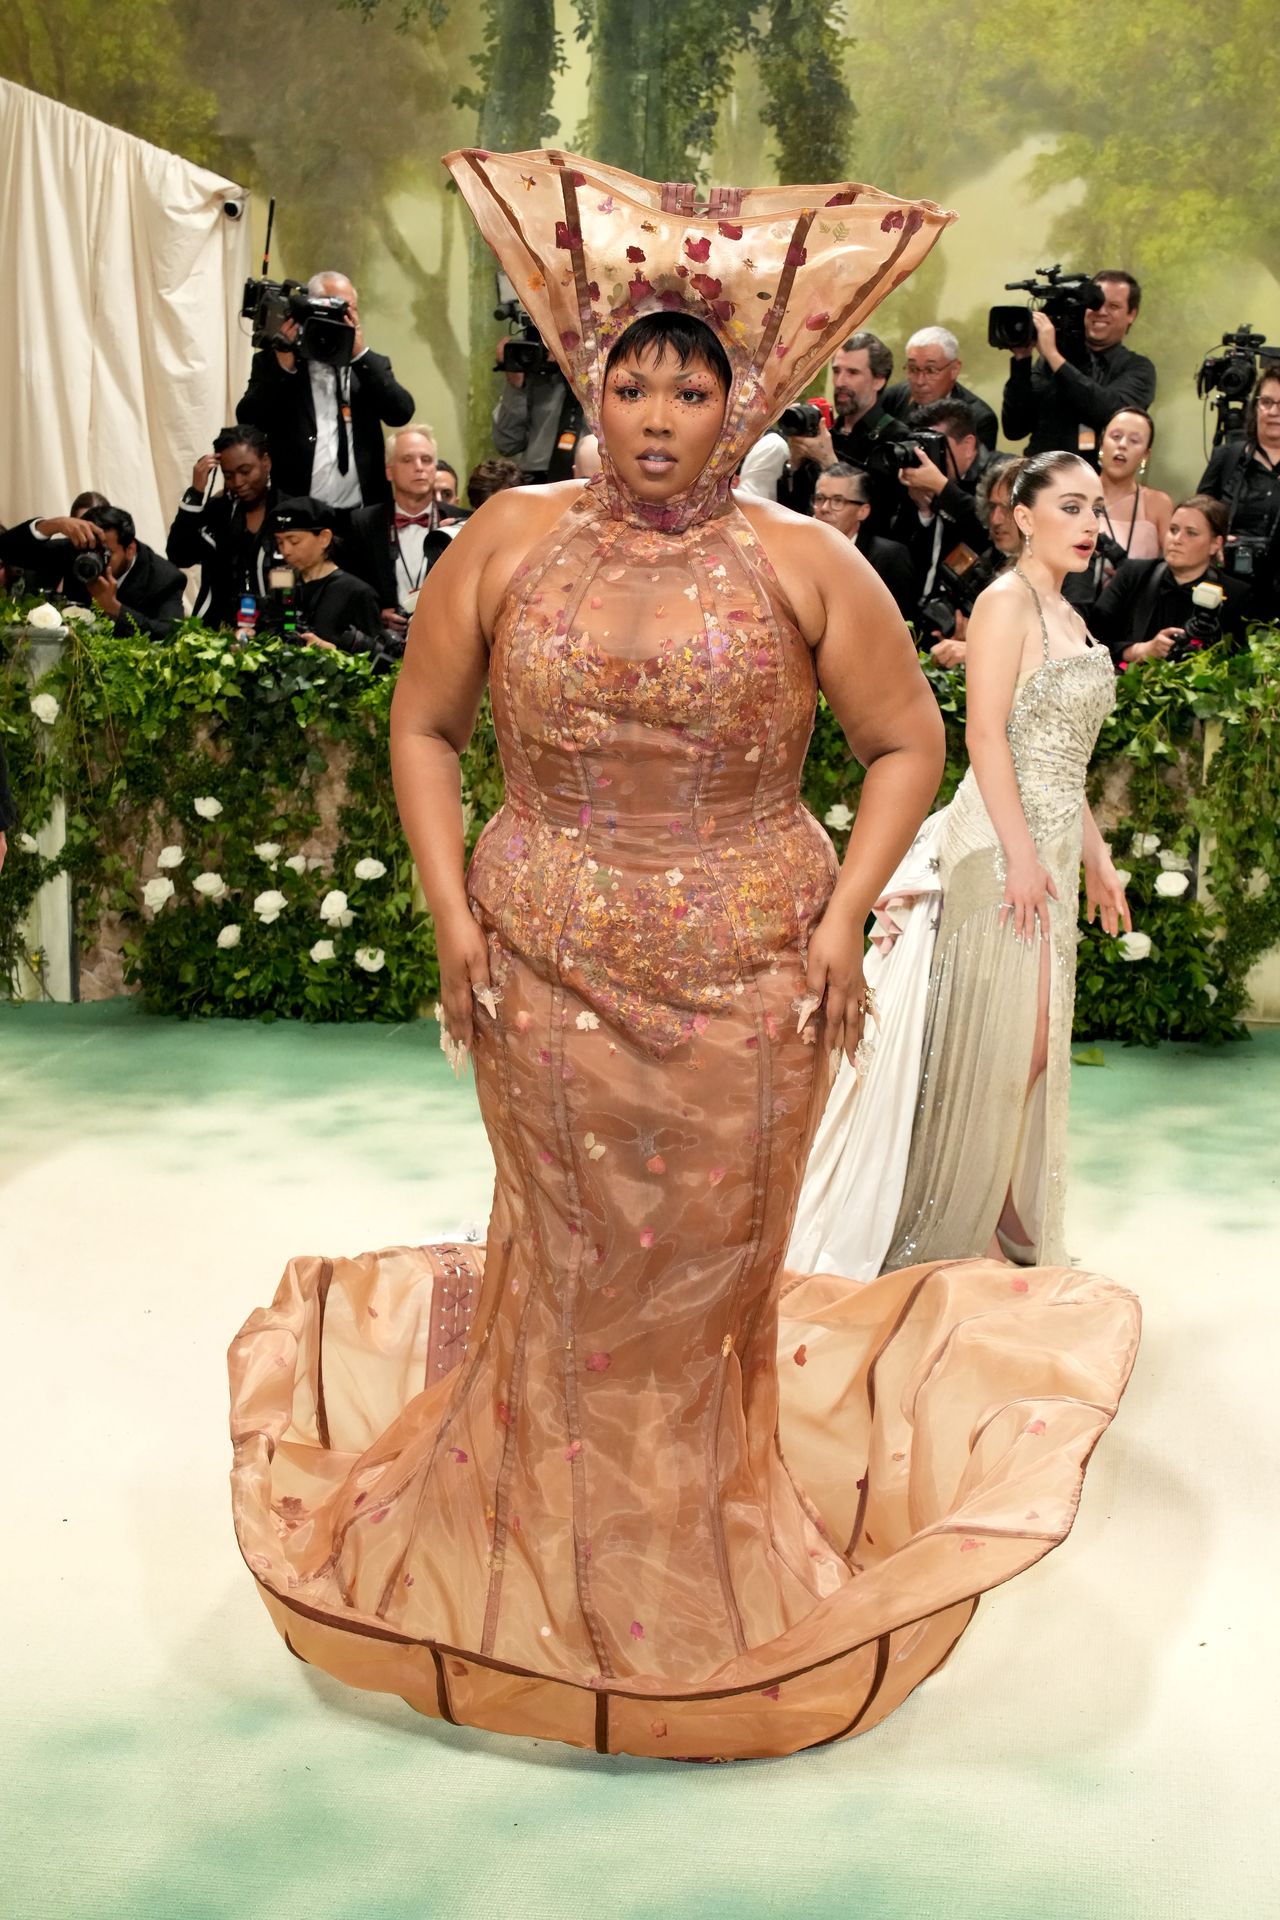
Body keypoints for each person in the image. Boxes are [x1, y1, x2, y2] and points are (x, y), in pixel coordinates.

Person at [228, 149, 1138, 1764]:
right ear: (594, 387)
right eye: (630, 383)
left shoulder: (809, 562)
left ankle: (697, 1556)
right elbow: (425, 727)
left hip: (757, 980)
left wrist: (844, 922)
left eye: (687, 391)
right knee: (573, 1260)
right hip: (541, 970)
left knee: (708, 1277)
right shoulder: (509, 538)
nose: (655, 415)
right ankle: (540, 1538)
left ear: (742, 409)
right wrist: (452, 920)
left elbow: (903, 746)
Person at [794, 451, 1128, 1278]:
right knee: (1003, 1045)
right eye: (1073, 507)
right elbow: (985, 739)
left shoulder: (1070, 615)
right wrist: (1019, 857)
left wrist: (1097, 857)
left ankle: (999, 1207)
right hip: (995, 848)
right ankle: (959, 1218)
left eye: (1096, 509)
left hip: (1045, 845)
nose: (1090, 524)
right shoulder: (1004, 603)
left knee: (1033, 1041)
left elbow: (1061, 757)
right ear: (1023, 513)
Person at [235, 271, 415, 507]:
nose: (342, 318)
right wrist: (283, 366)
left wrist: (360, 356)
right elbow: (249, 421)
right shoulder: (275, 362)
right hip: (300, 516)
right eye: (333, 309)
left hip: (362, 516)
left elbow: (400, 413)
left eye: (349, 310)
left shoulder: (368, 366)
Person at [1000, 271, 1156, 458]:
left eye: (1113, 306)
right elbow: (1015, 428)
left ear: (1131, 314)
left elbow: (1110, 414)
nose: (1101, 312)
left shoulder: (1138, 368)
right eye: (1094, 304)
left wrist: (1053, 356)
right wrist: (1022, 360)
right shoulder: (1051, 362)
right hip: (1039, 475)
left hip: (1093, 481)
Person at [1093, 495, 1248, 666]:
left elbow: (1239, 664)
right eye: (1173, 530)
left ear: (1215, 544)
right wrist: (1139, 650)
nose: (1177, 539)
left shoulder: (1236, 595)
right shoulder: (1133, 574)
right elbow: (1092, 638)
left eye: (1191, 533)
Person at [778, 332, 910, 531]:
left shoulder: (896, 440)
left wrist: (827, 461)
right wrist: (794, 463)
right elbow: (790, 508)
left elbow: (879, 520)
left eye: (852, 373)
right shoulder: (823, 430)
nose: (840, 382)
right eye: (837, 371)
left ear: (879, 380)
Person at [344, 426, 465, 636]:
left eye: (426, 460)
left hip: (446, 638)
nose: (419, 467)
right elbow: (351, 588)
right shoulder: (362, 523)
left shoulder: (463, 522)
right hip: (382, 642)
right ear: (389, 471)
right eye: (407, 460)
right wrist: (376, 613)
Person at [166, 426, 280, 629]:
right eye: (228, 475)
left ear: (266, 462)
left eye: (245, 471)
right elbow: (179, 555)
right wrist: (196, 493)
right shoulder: (219, 513)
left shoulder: (289, 512)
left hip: (278, 631)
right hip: (219, 631)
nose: (238, 482)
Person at [888, 397, 995, 608]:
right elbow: (902, 554)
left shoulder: (998, 474)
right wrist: (923, 510)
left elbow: (992, 529)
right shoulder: (921, 477)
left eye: (936, 445)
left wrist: (942, 488)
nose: (929, 455)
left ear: (968, 445)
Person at [1197, 366, 1280, 607]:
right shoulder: (1228, 457)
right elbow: (1197, 513)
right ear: (1255, 407)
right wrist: (1215, 539)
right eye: (1266, 402)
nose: (1273, 411)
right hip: (1225, 585)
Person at [271, 497, 386, 656]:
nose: (286, 551)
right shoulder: (283, 584)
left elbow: (380, 662)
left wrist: (334, 653)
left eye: (294, 541)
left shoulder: (357, 593)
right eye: (280, 542)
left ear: (324, 538)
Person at [61, 506, 185, 640]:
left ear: (130, 549)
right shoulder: (76, 553)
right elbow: (36, 552)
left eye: (105, 553)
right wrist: (55, 525)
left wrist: (114, 608)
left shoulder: (164, 578)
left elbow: (170, 634)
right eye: (88, 550)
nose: (93, 560)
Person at [812, 462, 917, 619]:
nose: (824, 508)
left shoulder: (889, 557)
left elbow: (901, 623)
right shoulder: (799, 550)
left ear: (862, 511)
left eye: (838, 501)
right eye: (820, 498)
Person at [881, 326, 998, 448]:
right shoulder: (893, 398)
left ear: (954, 370)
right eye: (913, 369)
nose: (920, 381)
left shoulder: (979, 419)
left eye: (930, 370)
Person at [492, 334, 586, 482]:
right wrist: (515, 383)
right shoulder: (533, 365)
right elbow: (507, 445)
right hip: (536, 477)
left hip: (593, 473)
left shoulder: (609, 362)